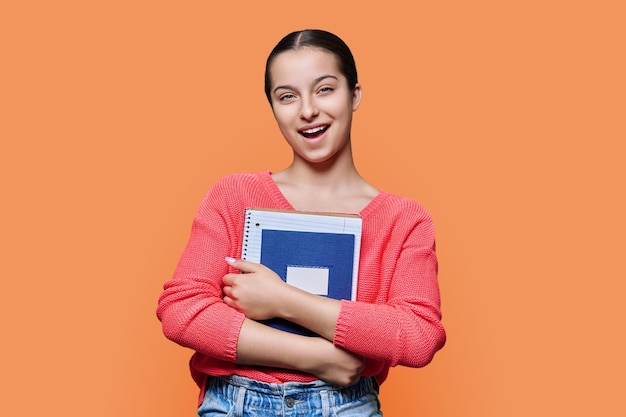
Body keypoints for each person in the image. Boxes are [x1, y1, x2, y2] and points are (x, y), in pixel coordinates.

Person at [157, 29, 446, 416]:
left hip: (345, 406)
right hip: (235, 402)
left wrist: (284, 300)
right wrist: (316, 357)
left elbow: (418, 335)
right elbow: (182, 311)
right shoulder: (233, 196)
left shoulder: (404, 219)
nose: (307, 110)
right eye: (287, 96)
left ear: (354, 95)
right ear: (273, 107)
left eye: (324, 89)